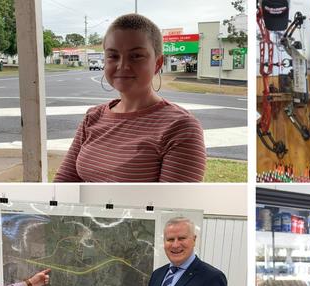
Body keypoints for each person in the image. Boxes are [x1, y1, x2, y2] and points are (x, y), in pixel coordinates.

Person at [54, 13, 206, 182]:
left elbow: (173, 206)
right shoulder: (93, 117)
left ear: (158, 63)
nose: (123, 66)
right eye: (113, 56)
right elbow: (64, 183)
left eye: (136, 56)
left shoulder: (180, 127)